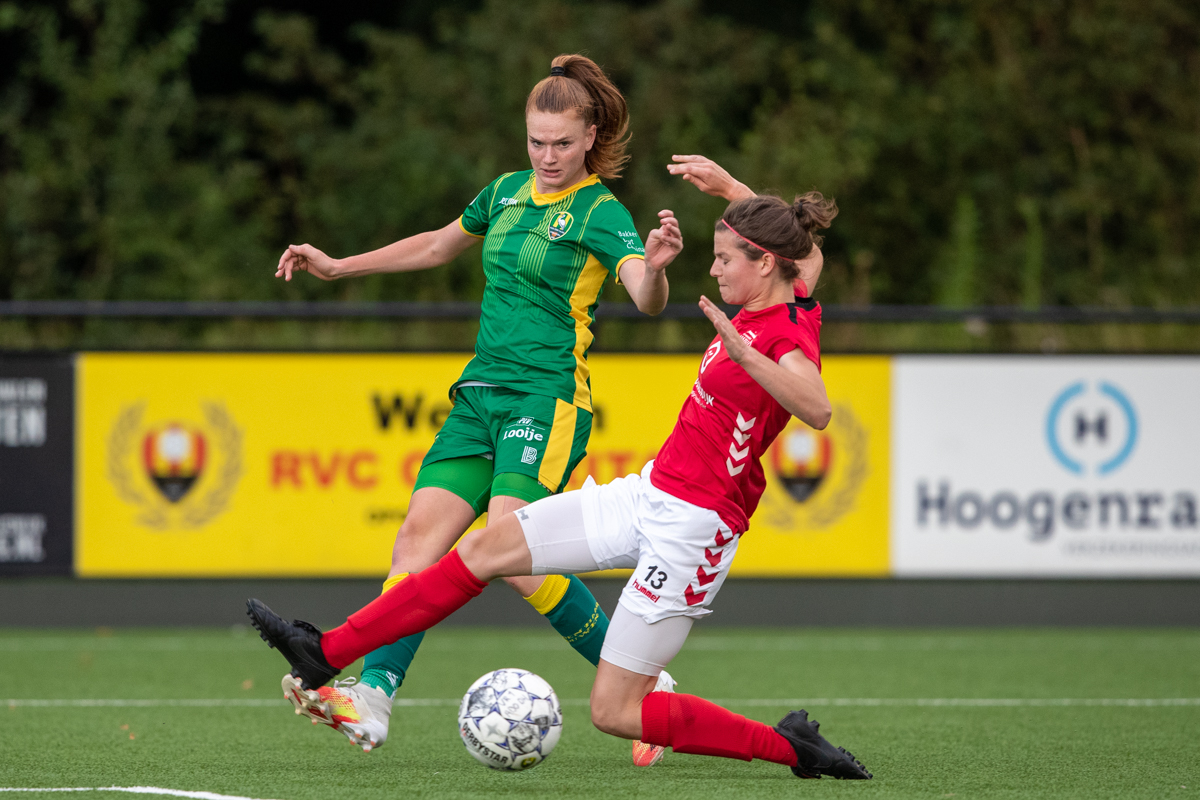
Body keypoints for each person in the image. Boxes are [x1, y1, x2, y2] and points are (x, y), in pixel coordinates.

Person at [248, 188, 874, 780]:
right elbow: (801, 249)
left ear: (765, 264)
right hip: (648, 494)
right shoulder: (789, 294)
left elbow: (816, 409)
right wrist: (733, 193)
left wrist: (744, 353)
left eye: (724, 259)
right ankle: (324, 651)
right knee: (485, 549)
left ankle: (792, 748)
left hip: (695, 530)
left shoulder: (785, 335)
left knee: (615, 711)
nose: (713, 271)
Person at [270, 54, 683, 758]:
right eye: (536, 141)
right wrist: (339, 265)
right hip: (480, 395)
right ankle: (372, 701)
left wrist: (658, 268)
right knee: (416, 542)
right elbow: (436, 245)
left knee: (513, 556)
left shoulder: (599, 211)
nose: (547, 157)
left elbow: (644, 294)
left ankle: (652, 690)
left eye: (561, 143)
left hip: (546, 400)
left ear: (588, 139)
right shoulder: (504, 194)